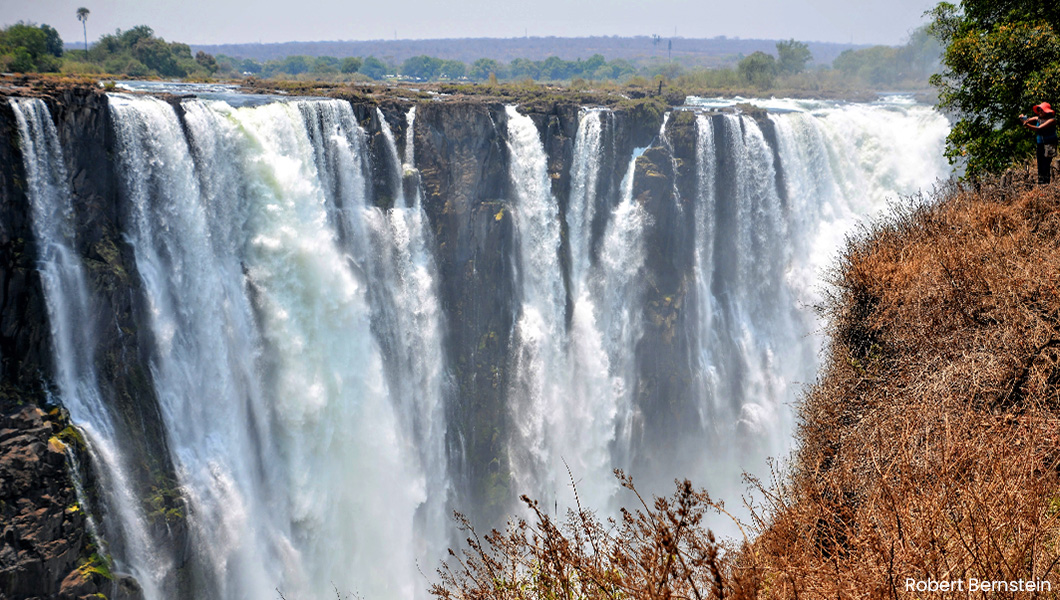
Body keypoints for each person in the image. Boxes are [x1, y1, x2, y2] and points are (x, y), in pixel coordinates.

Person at [1020, 102, 1057, 184]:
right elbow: (1028, 119)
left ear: (1047, 111)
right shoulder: (1038, 118)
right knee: (1040, 164)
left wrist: (1027, 125)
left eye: (1041, 111)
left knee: (1046, 164)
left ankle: (1046, 183)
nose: (1040, 112)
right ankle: (1041, 182)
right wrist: (1023, 118)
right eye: (1039, 111)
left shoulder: (1052, 120)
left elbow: (1039, 128)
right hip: (1040, 144)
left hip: (1049, 144)